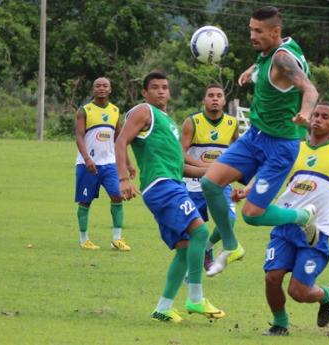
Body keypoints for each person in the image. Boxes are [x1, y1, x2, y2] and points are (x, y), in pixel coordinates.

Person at [232, 102, 329, 336]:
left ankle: (327, 295)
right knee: (272, 277)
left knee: (299, 292)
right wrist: (248, 191)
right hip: (285, 225)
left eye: (325, 117)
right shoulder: (293, 149)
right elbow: (269, 176)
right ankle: (280, 323)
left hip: (316, 233)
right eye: (315, 115)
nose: (317, 119)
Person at [201, 6, 320, 277]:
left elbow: (309, 88)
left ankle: (303, 217)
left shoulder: (282, 60)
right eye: (251, 30)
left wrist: (305, 112)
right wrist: (252, 68)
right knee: (210, 182)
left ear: (275, 32)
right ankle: (231, 246)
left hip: (281, 146)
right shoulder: (280, 46)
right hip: (254, 136)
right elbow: (268, 57)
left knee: (252, 214)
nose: (252, 36)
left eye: (258, 31)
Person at [115, 72, 224, 323]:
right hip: (162, 186)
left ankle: (163, 307)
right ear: (145, 92)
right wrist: (123, 179)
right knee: (200, 233)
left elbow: (182, 167)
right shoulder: (144, 111)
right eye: (155, 88)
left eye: (165, 87)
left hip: (171, 183)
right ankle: (195, 298)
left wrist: (218, 172)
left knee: (186, 249)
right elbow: (120, 142)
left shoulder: (169, 123)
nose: (161, 91)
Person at [180, 84, 240, 270]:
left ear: (224, 101)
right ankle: (191, 268)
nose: (215, 98)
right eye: (211, 95)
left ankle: (208, 248)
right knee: (195, 230)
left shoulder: (232, 124)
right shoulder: (192, 122)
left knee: (229, 220)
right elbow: (180, 153)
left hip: (220, 184)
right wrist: (205, 168)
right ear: (204, 100)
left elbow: (238, 151)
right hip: (193, 185)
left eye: (219, 95)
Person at [74, 77, 134, 251]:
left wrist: (128, 164)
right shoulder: (84, 110)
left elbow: (119, 139)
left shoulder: (115, 111)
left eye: (105, 86)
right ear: (93, 89)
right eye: (97, 85)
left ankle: (116, 239)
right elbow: (79, 136)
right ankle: (83, 239)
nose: (101, 88)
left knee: (117, 196)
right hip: (88, 165)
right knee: (85, 201)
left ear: (110, 89)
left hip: (109, 164)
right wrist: (87, 159)